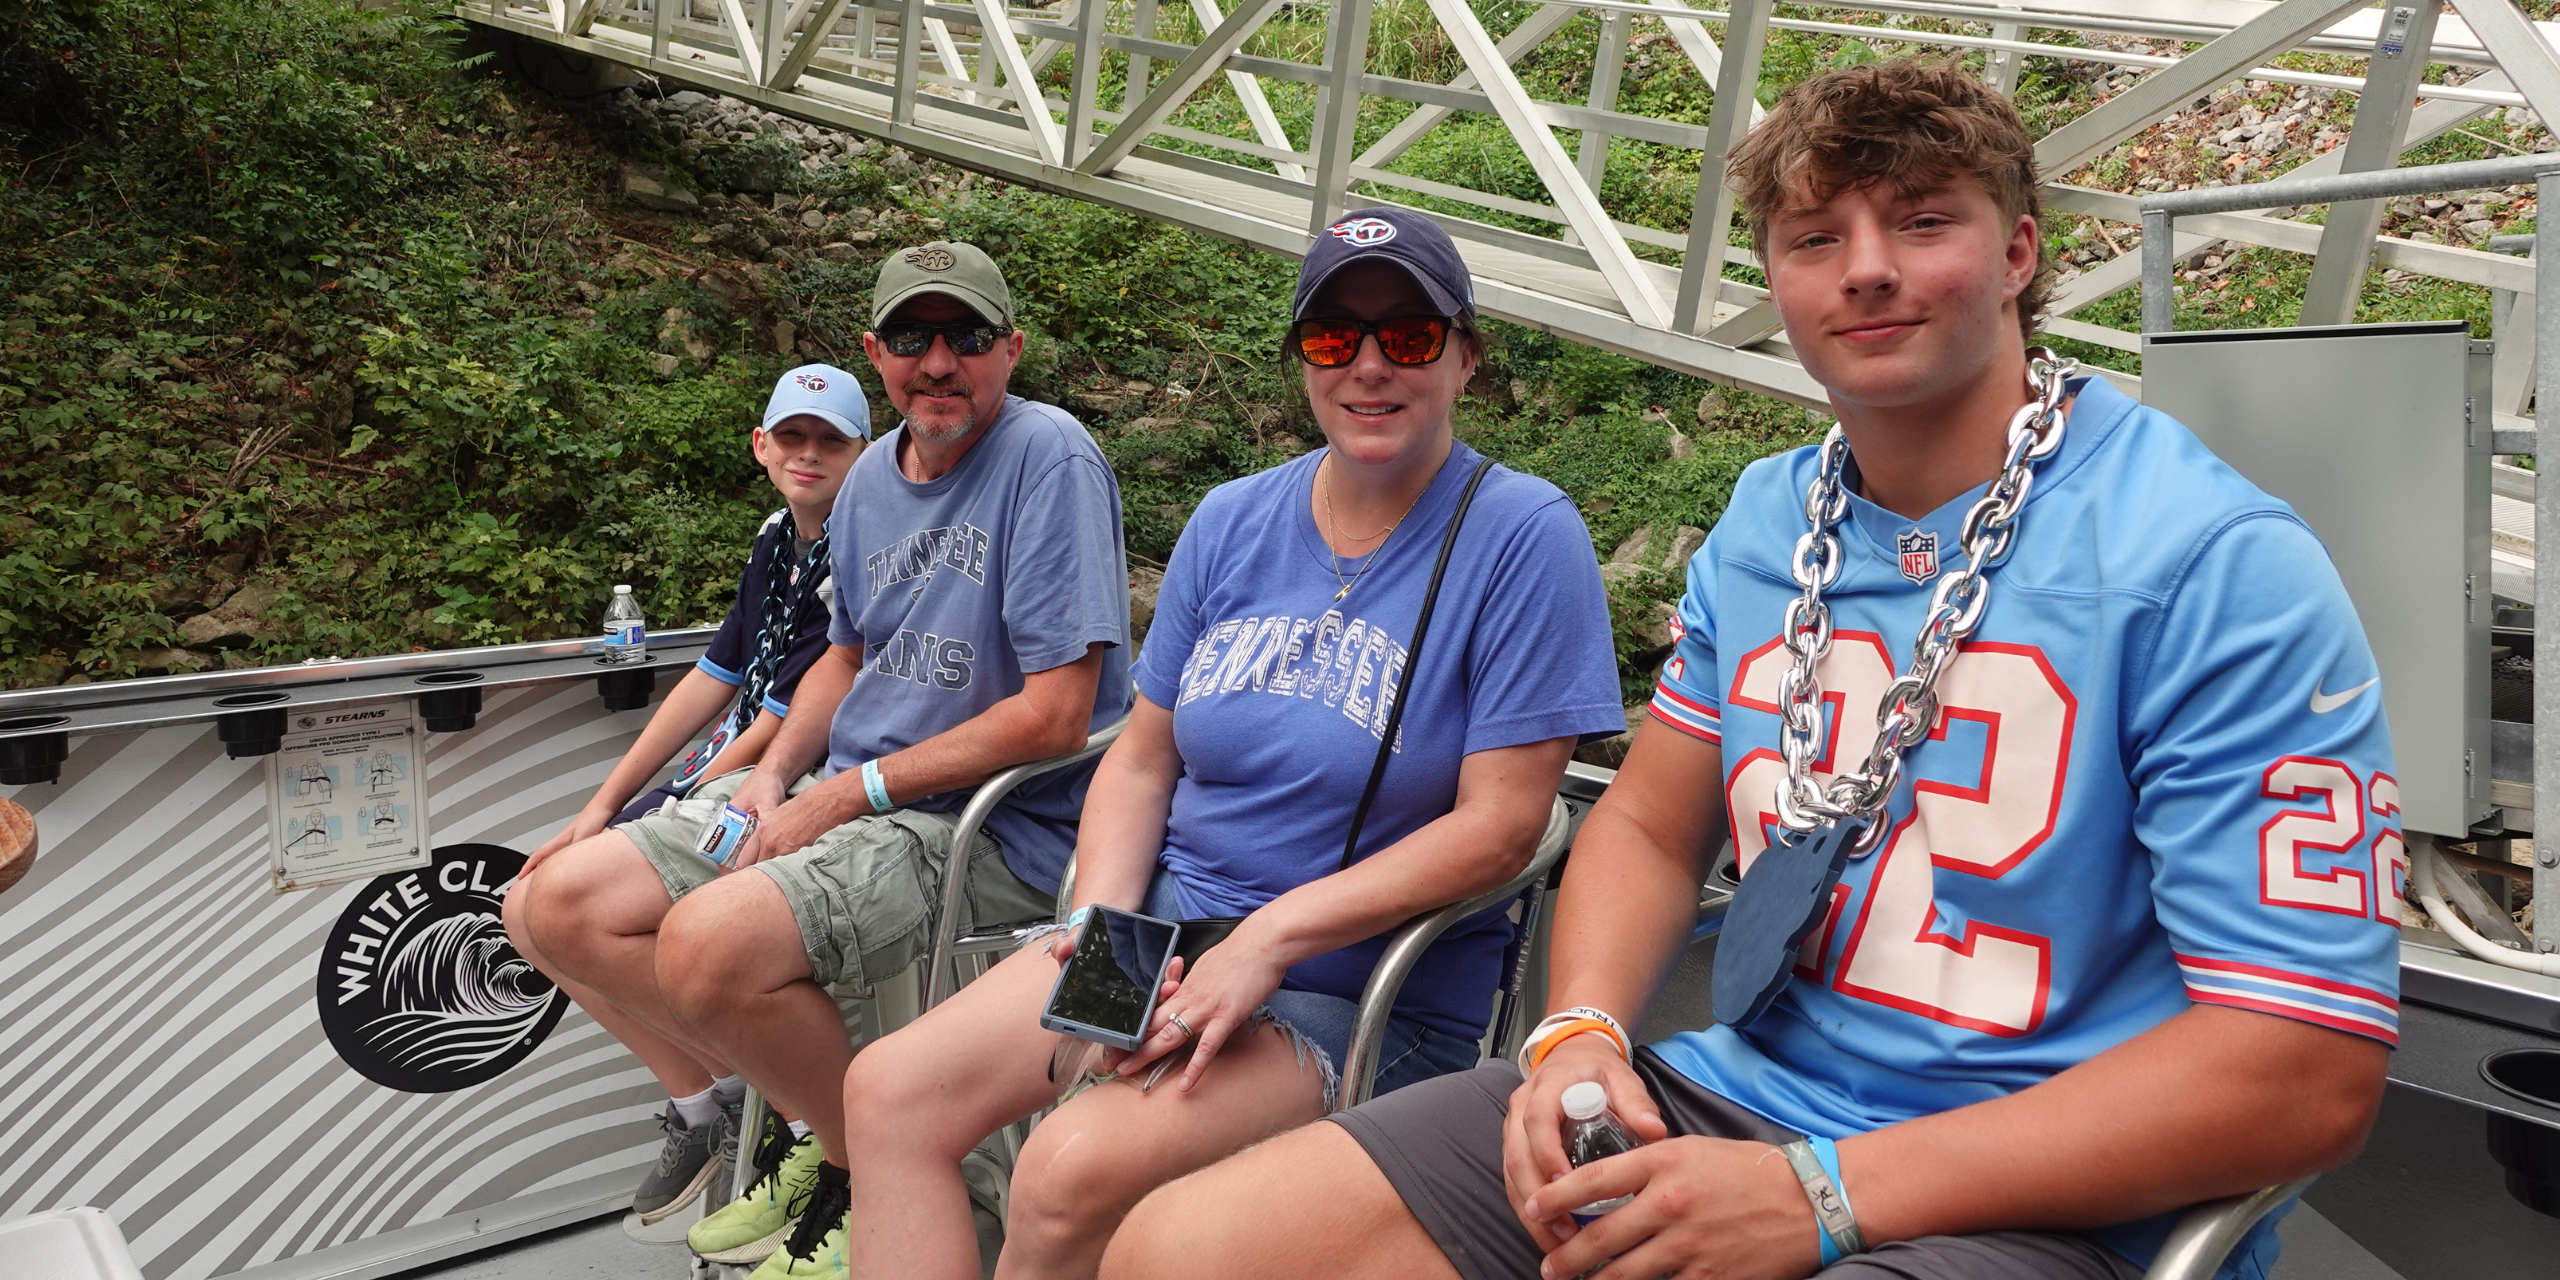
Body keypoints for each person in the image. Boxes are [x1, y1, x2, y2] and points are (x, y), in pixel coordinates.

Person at [1107, 60, 2401, 1280]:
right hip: (1739, 1101)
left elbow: (2303, 1068)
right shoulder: (1771, 522)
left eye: (1922, 222)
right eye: (1816, 238)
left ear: (2018, 254)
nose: (1871, 272)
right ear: (1775, 278)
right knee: (1181, 1249)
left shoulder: (2213, 560)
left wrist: (1825, 1195)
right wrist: (1579, 1034)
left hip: (2054, 1195)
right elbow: (1652, 829)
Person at [832, 207, 1625, 1280]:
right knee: (887, 1090)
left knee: (1065, 1163)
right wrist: (1099, 929)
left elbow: (1503, 824)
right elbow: (1144, 756)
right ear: (1303, 359)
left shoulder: (1524, 534)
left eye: (1411, 336)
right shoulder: (1231, 519)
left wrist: (1272, 938)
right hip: (1166, 933)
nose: (1371, 366)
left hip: (1358, 986)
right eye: (1335, 338)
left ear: (1466, 356)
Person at [503, 240, 1133, 1278]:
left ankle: (863, 1164)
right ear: (874, 352)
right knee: (559, 903)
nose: (939, 361)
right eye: (911, 338)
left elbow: (1059, 715)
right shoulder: (873, 479)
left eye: (966, 336)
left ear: (1009, 350)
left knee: (707, 949)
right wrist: (768, 775)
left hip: (975, 820)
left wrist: (846, 790)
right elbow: (845, 653)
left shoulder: (1048, 456)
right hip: (842, 787)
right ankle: (845, 1145)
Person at [512, 364, 869, 1224]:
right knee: (522, 912)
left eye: (831, 441)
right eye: (793, 437)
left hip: (781, 773)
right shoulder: (775, 537)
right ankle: (710, 1106)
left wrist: (691, 791)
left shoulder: (863, 546)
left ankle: (796, 1108)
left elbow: (790, 711)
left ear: (867, 453)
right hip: (727, 768)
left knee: (573, 906)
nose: (809, 455)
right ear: (762, 446)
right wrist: (606, 801)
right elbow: (716, 675)